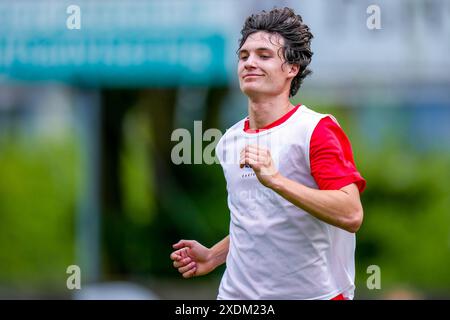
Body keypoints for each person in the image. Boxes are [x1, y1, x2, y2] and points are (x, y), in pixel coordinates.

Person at [170, 7, 366, 300]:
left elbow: (351, 213)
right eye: (244, 56)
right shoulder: (229, 140)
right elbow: (257, 221)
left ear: (291, 68)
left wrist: (277, 180)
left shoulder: (315, 129)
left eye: (264, 55)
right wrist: (214, 256)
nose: (250, 63)